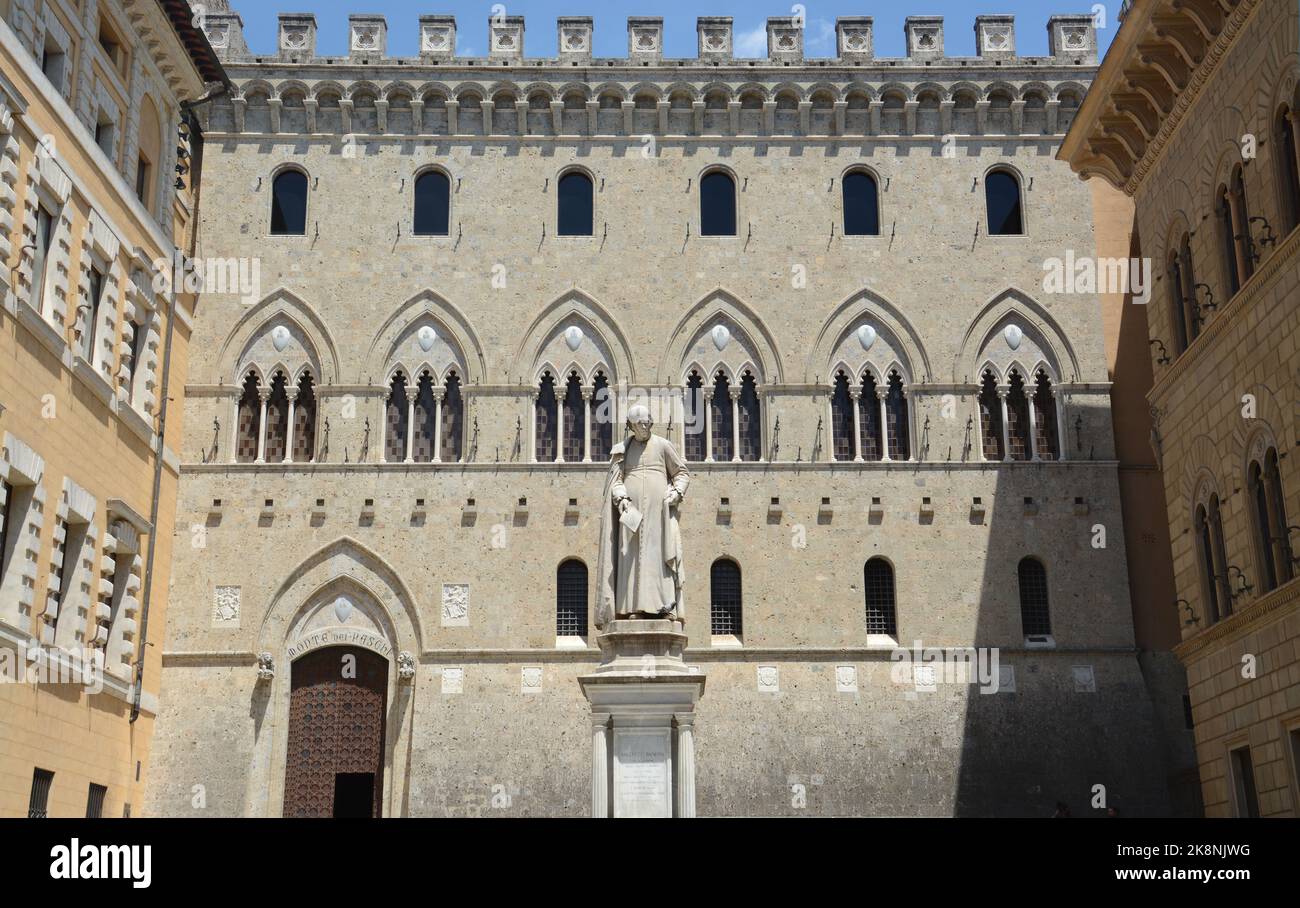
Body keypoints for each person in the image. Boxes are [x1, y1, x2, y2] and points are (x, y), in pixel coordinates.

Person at [595, 404, 690, 628]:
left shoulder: (663, 445)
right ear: (630, 426)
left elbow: (682, 473)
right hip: (631, 515)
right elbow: (615, 480)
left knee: (659, 557)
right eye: (639, 423)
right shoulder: (623, 450)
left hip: (659, 513)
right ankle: (633, 609)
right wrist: (622, 499)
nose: (645, 426)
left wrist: (676, 492)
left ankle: (664, 607)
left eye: (647, 421)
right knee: (632, 559)